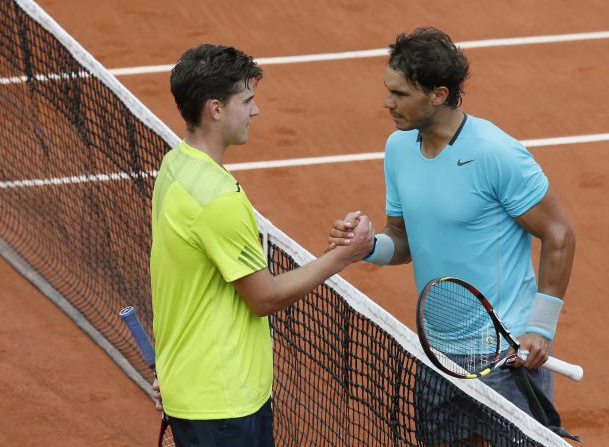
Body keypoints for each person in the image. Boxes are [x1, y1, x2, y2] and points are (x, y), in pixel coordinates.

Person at [326, 27, 576, 444]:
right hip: (436, 353)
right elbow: (402, 238)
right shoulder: (398, 149)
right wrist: (367, 246)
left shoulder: (496, 153)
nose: (388, 103)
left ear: (438, 94)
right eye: (388, 90)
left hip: (504, 358)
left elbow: (560, 234)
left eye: (401, 94)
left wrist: (541, 329)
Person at [150, 44, 374, 447]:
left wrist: (174, 371)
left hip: (191, 384)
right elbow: (264, 298)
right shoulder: (216, 199)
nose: (256, 111)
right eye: (247, 101)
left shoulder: (175, 166)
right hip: (224, 403)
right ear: (215, 109)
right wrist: (345, 254)